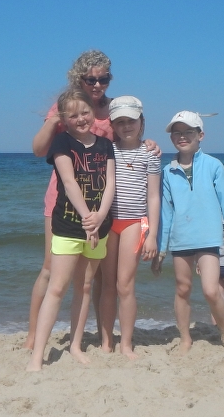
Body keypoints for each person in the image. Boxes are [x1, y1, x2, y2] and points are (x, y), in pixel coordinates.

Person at [24, 50, 160, 350]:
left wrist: (149, 142)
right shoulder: (66, 107)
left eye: (103, 79)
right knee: (50, 267)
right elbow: (38, 150)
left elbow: (126, 142)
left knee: (96, 276)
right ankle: (33, 335)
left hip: (101, 204)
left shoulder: (113, 110)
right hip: (62, 199)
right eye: (91, 80)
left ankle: (103, 336)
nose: (97, 85)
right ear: (79, 79)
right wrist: (54, 119)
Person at [27, 87, 116, 371]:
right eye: (73, 115)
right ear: (64, 118)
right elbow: (69, 182)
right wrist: (87, 217)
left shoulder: (106, 145)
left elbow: (110, 184)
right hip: (68, 225)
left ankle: (75, 345)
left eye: (85, 113)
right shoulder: (62, 142)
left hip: (99, 227)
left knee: (85, 286)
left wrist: (99, 217)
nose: (81, 119)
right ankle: (37, 355)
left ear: (93, 112)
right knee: (57, 288)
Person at [154, 111, 224, 352]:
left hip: (208, 238)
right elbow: (166, 213)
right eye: (177, 133)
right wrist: (161, 249)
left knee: (210, 290)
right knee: (182, 289)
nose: (182, 137)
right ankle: (185, 338)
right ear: (171, 137)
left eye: (188, 132)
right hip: (181, 239)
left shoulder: (214, 166)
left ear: (200, 135)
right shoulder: (167, 172)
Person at [98, 96, 160, 359]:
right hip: (108, 222)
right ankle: (106, 341)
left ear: (141, 122)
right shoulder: (106, 150)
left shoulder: (150, 154)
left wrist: (152, 234)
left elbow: (153, 196)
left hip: (135, 222)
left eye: (131, 121)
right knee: (107, 285)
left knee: (125, 285)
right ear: (112, 125)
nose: (126, 126)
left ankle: (126, 343)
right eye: (120, 122)